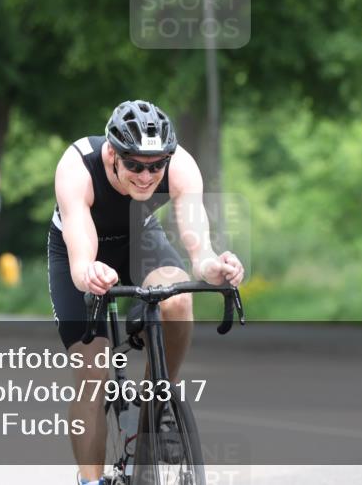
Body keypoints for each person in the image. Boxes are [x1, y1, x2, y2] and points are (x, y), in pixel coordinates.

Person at [48, 100, 245, 485]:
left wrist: (215, 268)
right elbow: (81, 257)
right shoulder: (78, 166)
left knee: (177, 297)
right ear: (112, 154)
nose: (146, 175)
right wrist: (90, 271)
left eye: (156, 166)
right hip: (81, 250)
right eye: (135, 165)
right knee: (92, 373)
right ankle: (91, 481)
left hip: (141, 238)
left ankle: (158, 403)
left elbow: (198, 247)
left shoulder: (181, 166)